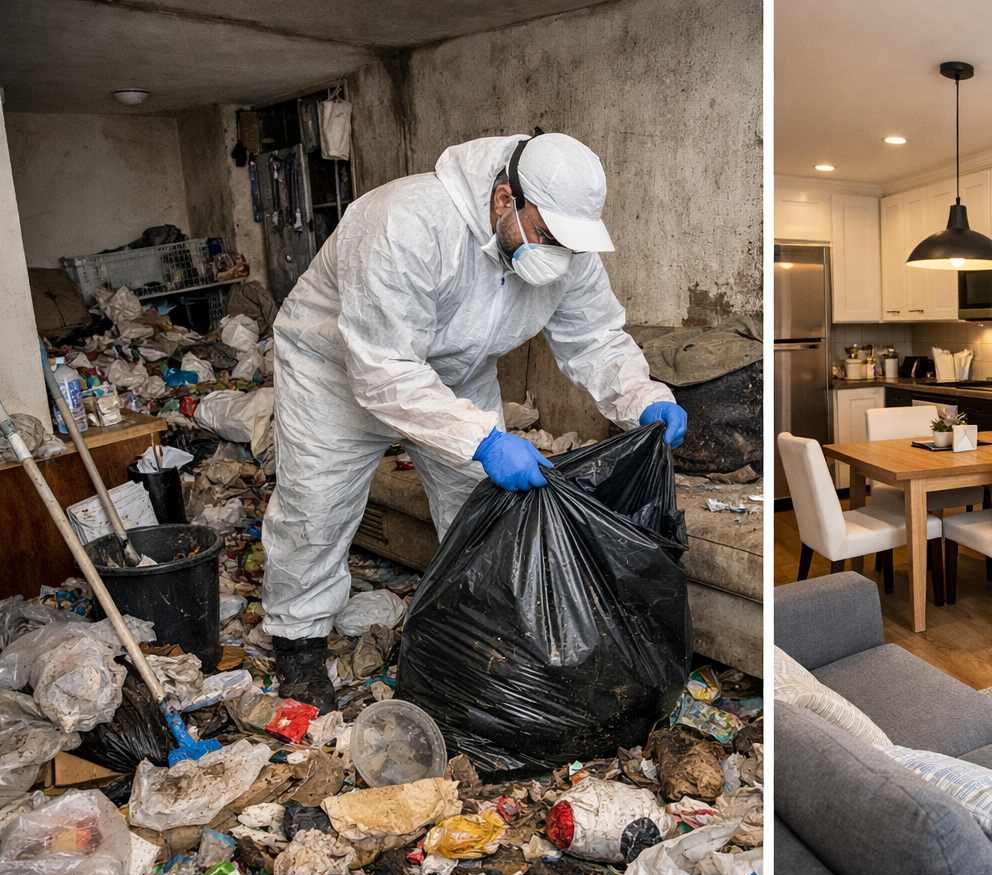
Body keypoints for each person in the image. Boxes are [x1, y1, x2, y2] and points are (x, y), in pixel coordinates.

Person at [261, 132, 686, 712]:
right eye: (546, 236)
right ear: (504, 199)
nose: (557, 253)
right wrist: (480, 438)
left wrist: (641, 397)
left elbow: (594, 337)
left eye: (567, 241)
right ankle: (299, 647)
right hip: (337, 367)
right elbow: (383, 366)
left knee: (478, 505)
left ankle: (477, 632)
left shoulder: (566, 253)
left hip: (456, 372)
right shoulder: (406, 221)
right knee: (316, 505)